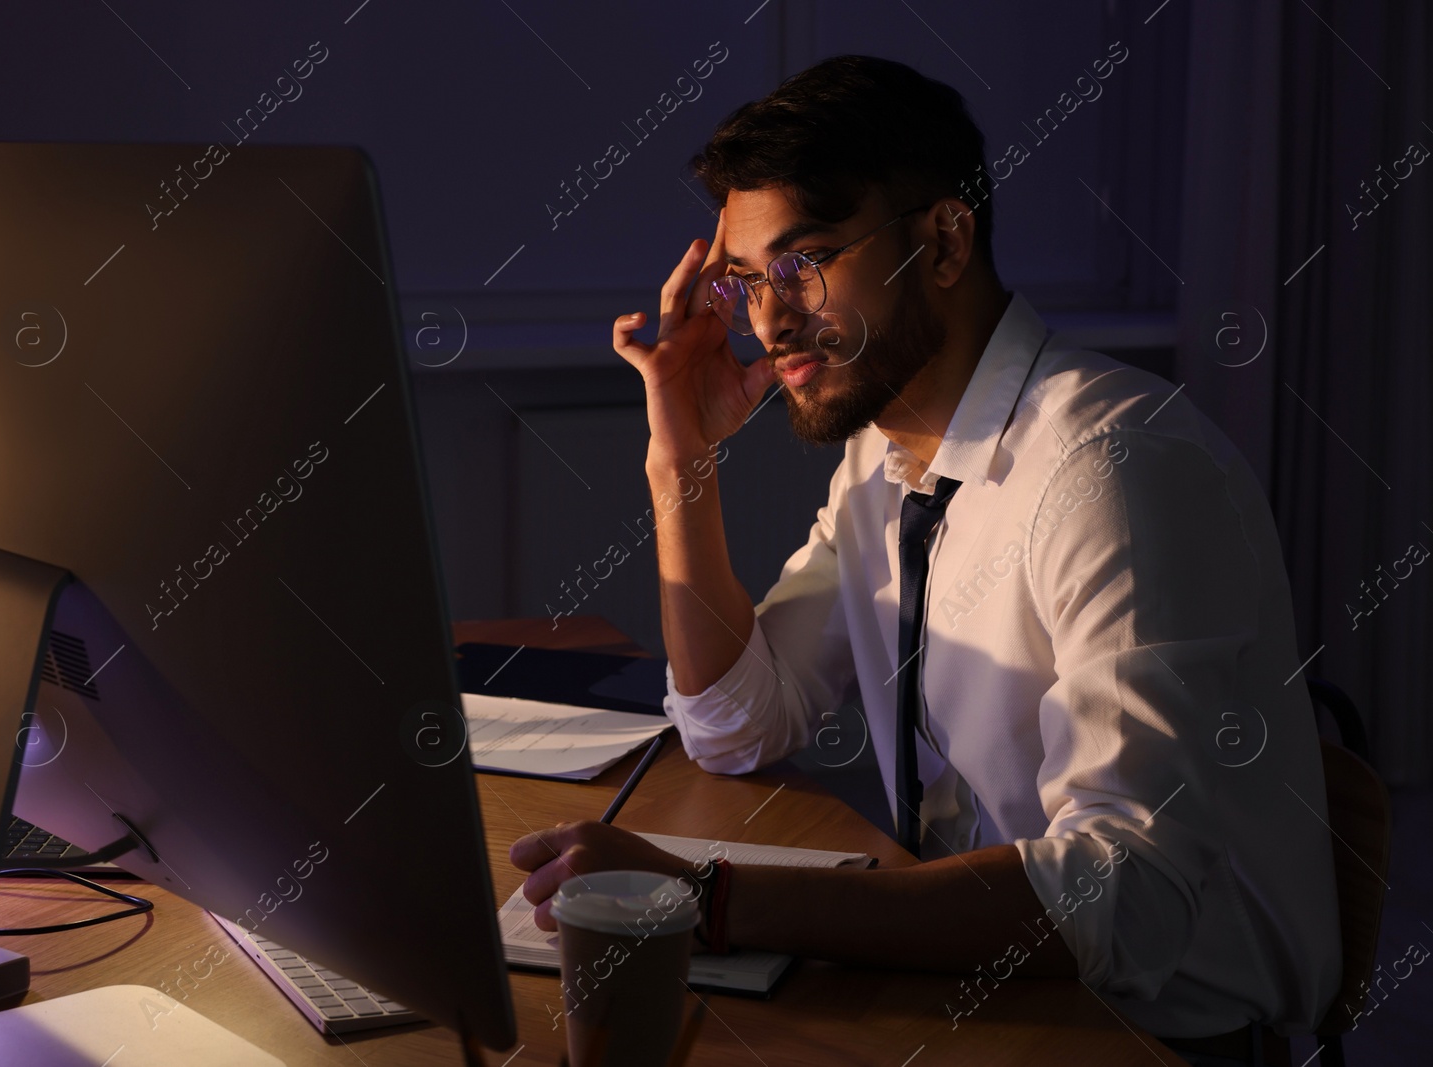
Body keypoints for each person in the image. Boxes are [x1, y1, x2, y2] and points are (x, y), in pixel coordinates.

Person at [508, 55, 1339, 1066]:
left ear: (943, 240)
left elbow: (1124, 903)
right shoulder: (885, 456)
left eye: (801, 262)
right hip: (968, 994)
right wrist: (679, 452)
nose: (767, 321)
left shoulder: (1114, 468)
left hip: (1144, 1037)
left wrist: (715, 895)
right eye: (743, 282)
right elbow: (737, 724)